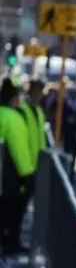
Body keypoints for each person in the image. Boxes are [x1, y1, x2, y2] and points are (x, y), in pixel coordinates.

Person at [0, 78, 36, 254]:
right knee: (11, 214)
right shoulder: (13, 118)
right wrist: (28, 177)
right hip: (8, 179)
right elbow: (19, 150)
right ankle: (9, 243)